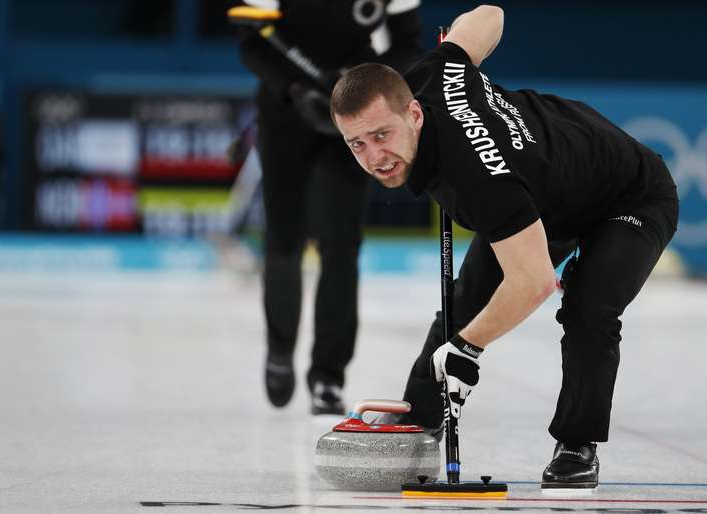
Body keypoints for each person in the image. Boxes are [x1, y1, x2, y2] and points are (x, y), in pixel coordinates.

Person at [330, 4, 678, 490]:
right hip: (544, 191)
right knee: (464, 299)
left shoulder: (478, 178)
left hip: (629, 193)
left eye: (382, 136)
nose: (375, 158)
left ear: (413, 113)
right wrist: (455, 41)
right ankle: (419, 417)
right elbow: (489, 14)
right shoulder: (436, 71)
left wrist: (468, 350)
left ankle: (577, 443)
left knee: (587, 309)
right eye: (357, 145)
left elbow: (534, 282)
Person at [235, 0, 423, 415]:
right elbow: (251, 42)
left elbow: (408, 43)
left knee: (340, 246)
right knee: (284, 237)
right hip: (287, 114)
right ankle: (280, 350)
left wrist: (360, 84)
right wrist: (295, 90)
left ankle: (327, 377)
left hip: (355, 117)